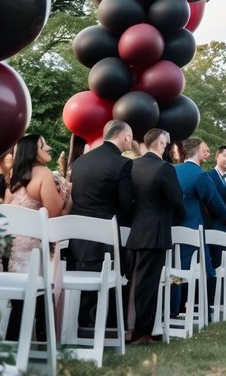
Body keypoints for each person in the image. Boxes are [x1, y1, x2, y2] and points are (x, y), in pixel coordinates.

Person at [67, 119, 135, 329]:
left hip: (77, 237)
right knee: (111, 281)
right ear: (125, 136)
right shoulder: (123, 163)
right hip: (106, 238)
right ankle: (106, 325)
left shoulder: (80, 162)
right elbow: (126, 203)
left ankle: (79, 325)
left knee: (81, 282)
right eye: (130, 138)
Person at [126, 128, 184, 346]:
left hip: (135, 232)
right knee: (148, 285)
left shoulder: (131, 165)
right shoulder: (165, 168)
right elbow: (178, 201)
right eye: (165, 142)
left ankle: (137, 329)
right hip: (156, 232)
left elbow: (126, 199)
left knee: (136, 282)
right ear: (161, 143)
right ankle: (142, 333)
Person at [174, 138, 226, 313]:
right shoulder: (200, 175)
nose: (207, 153)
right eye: (206, 150)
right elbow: (213, 199)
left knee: (175, 272)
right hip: (194, 231)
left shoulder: (173, 170)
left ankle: (175, 307)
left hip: (173, 231)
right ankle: (203, 308)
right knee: (207, 273)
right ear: (199, 152)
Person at [5, 134, 71, 272]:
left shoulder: (14, 176)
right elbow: (54, 214)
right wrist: (68, 193)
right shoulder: (43, 173)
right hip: (34, 251)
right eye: (43, 145)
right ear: (32, 152)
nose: (49, 147)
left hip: (13, 249)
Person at [206, 144, 226, 308]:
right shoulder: (208, 176)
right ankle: (209, 301)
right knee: (212, 263)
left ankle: (225, 301)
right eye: (225, 155)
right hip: (212, 225)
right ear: (217, 156)